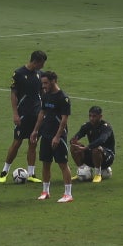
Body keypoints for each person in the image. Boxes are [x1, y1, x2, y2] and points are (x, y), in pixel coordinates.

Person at [1, 50, 47, 183]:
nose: (42, 66)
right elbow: (13, 94)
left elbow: (42, 93)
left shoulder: (40, 75)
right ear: (36, 61)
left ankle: (31, 173)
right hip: (23, 114)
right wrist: (15, 113)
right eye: (42, 63)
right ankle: (4, 171)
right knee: (17, 142)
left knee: (33, 142)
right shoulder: (19, 73)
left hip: (37, 114)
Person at [33, 69, 74, 203]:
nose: (43, 86)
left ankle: (68, 194)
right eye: (42, 83)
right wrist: (35, 131)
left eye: (45, 83)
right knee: (45, 163)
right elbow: (42, 113)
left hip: (58, 136)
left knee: (63, 163)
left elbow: (64, 120)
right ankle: (45, 191)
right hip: (45, 134)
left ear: (53, 81)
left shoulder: (63, 98)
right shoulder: (46, 95)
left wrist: (57, 136)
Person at [70, 104, 117, 183]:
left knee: (96, 148)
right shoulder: (87, 126)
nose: (91, 118)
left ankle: (98, 174)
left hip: (107, 156)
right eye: (90, 116)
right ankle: (82, 171)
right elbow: (78, 135)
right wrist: (74, 140)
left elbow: (102, 140)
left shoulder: (106, 127)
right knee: (74, 147)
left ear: (100, 116)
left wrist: (87, 147)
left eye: (94, 116)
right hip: (93, 153)